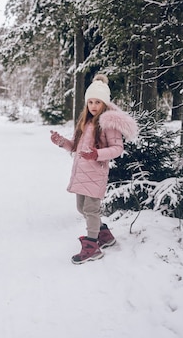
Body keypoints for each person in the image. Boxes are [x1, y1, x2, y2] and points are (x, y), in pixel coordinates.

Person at [50, 74, 138, 264]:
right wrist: (61, 142)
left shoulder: (108, 123)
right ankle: (104, 235)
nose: (93, 106)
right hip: (82, 173)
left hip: (96, 173)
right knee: (81, 208)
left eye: (98, 102)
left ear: (104, 103)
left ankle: (92, 247)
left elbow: (117, 148)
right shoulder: (85, 122)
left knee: (90, 209)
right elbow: (74, 146)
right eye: (90, 101)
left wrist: (97, 154)